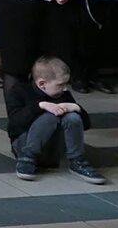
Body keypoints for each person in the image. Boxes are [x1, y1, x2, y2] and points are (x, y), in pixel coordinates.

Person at [7, 56, 105, 184]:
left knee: (72, 116)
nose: (65, 89)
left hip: (52, 147)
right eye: (60, 85)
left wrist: (76, 108)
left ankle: (77, 160)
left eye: (66, 84)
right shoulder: (20, 92)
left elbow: (85, 125)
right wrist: (40, 106)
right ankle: (27, 158)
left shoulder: (63, 95)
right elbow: (14, 124)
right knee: (50, 116)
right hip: (25, 144)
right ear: (42, 84)